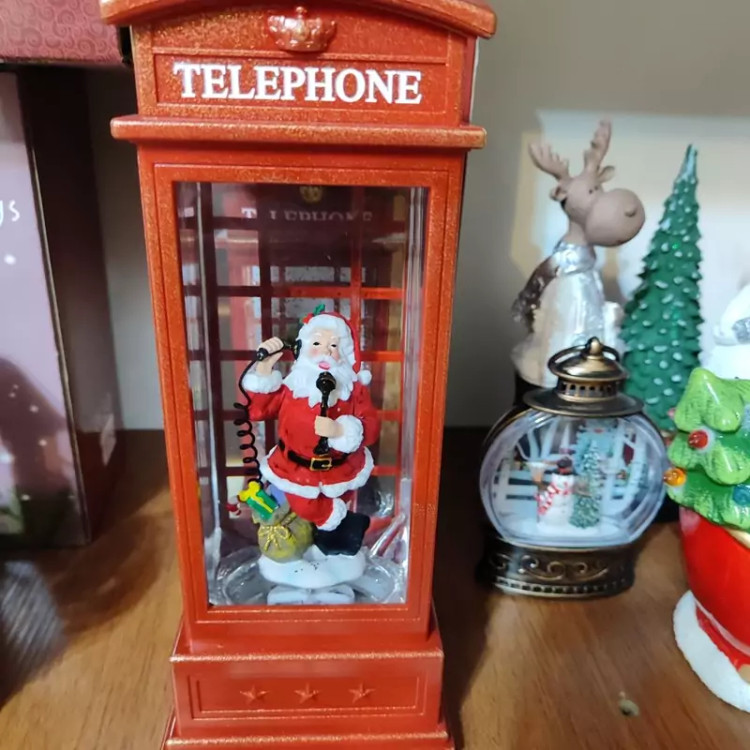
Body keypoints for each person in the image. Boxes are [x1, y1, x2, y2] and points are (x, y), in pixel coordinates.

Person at [242, 311, 379, 555]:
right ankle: (327, 529)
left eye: (333, 346)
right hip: (295, 470)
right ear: (302, 348)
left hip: (341, 470)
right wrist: (264, 368)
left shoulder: (352, 390)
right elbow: (259, 409)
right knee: (306, 506)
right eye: (316, 343)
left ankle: (329, 546)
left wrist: (340, 430)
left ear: (344, 353)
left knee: (339, 511)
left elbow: (371, 427)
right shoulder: (293, 386)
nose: (325, 351)